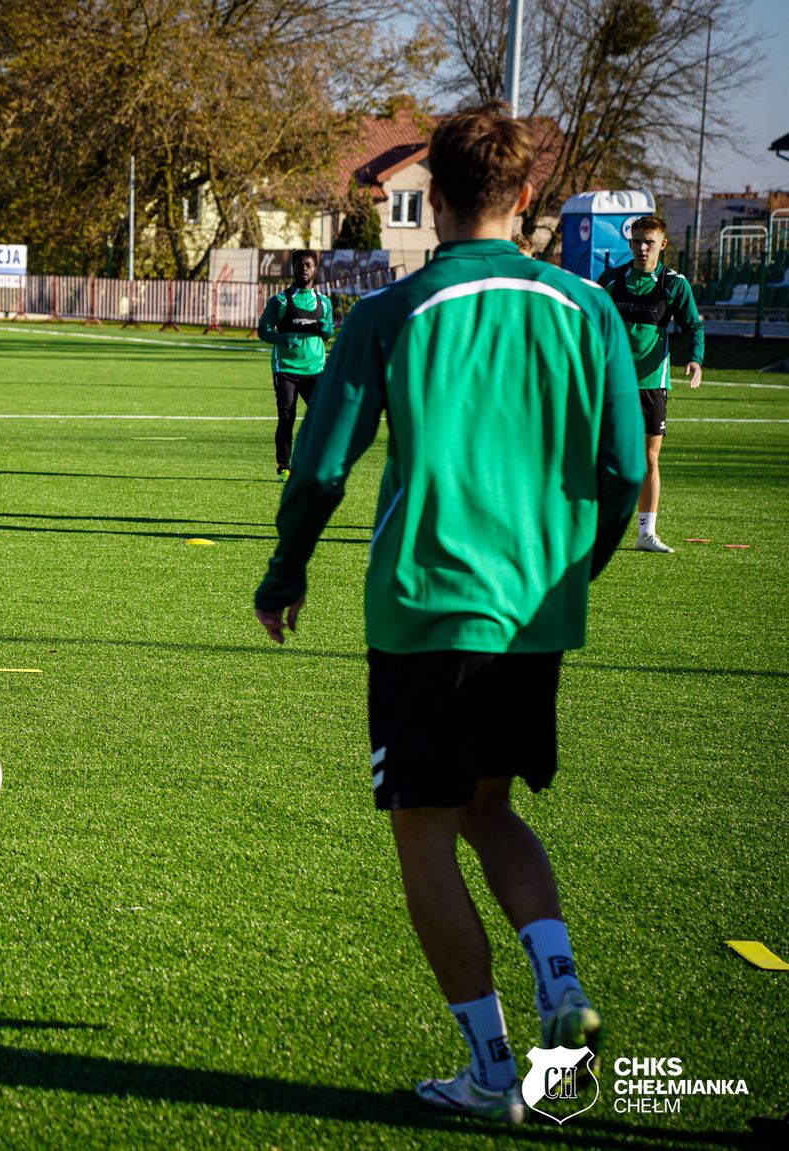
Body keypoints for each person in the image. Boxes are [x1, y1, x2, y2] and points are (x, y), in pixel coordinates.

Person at [253, 104, 645, 1124]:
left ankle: (490, 1073)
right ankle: (559, 984)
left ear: (430, 197)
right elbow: (624, 469)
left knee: (424, 828)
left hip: (425, 611)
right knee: (492, 806)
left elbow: (323, 464)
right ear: (524, 199)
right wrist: (574, 571)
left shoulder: (391, 312)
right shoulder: (587, 309)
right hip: (533, 615)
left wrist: (285, 571)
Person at [598, 215, 705, 553]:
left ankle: (646, 534)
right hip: (612, 381)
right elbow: (590, 319)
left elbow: (693, 326)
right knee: (602, 457)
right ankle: (592, 529)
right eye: (636, 241)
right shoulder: (612, 279)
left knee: (649, 460)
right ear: (629, 244)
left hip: (650, 384)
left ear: (662, 244)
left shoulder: (674, 284)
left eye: (649, 241)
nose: (642, 248)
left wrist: (695, 359)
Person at [256, 250, 334, 480]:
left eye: (309, 265)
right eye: (300, 265)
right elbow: (263, 330)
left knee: (321, 417)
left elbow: (329, 331)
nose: (304, 269)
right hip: (287, 370)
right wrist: (282, 338)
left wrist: (325, 330)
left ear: (316, 269)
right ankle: (284, 466)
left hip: (315, 371)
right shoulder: (280, 301)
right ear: (293, 268)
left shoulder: (324, 302)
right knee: (287, 417)